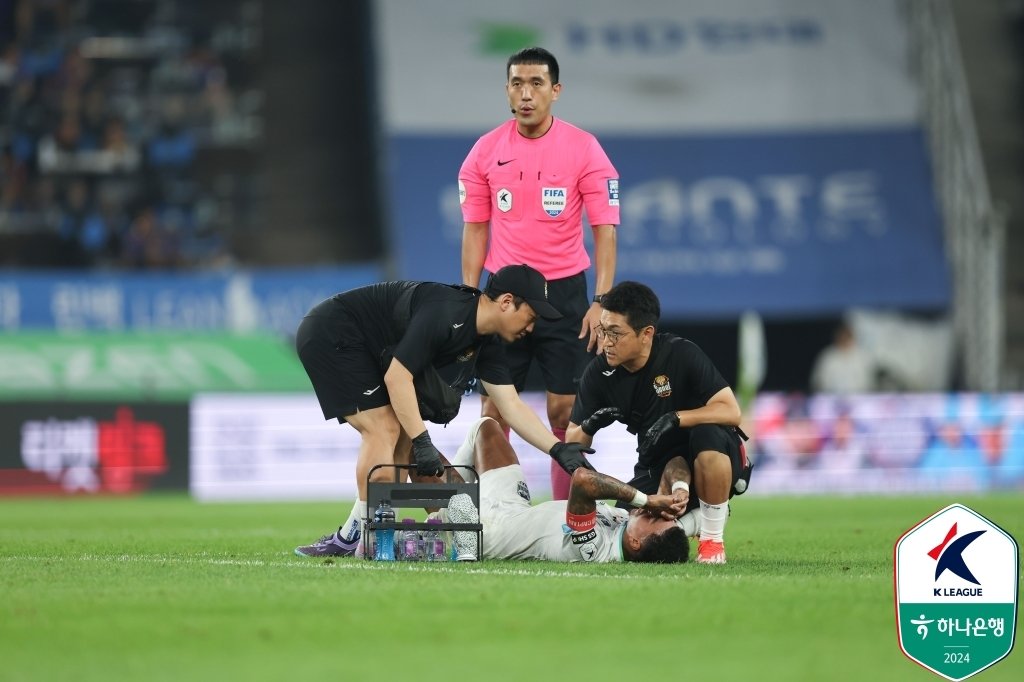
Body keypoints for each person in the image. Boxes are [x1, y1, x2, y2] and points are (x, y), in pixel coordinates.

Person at [293, 264, 595, 557]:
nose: (532, 327)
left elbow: (511, 405)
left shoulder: (486, 342)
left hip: (369, 347)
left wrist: (557, 450)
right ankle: (365, 537)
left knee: (399, 441)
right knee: (384, 428)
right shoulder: (446, 311)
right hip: (333, 331)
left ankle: (356, 536)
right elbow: (397, 377)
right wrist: (422, 441)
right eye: (531, 315)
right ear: (506, 303)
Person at [459, 46, 619, 500]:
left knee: (564, 409)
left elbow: (604, 230)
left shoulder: (584, 148)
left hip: (565, 292)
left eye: (536, 84)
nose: (526, 94)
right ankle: (497, 510)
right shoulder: (485, 151)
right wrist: (469, 298)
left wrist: (601, 301)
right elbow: (475, 229)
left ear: (556, 90)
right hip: (503, 294)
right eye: (517, 83)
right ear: (507, 90)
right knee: (494, 408)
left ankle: (568, 519)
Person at [564, 281, 750, 564]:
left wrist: (676, 418)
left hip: (708, 451)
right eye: (603, 330)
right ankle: (700, 518)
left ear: (646, 334)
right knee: (630, 529)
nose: (606, 342)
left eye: (616, 333)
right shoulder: (598, 374)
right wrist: (589, 426)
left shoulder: (681, 354)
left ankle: (712, 542)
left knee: (706, 435)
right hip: (657, 463)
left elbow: (731, 411)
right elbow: (571, 445)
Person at [443, 416, 691, 563]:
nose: (655, 513)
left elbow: (582, 479)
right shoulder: (630, 526)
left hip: (490, 533)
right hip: (515, 510)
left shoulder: (591, 549)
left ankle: (452, 518)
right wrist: (680, 490)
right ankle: (450, 507)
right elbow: (675, 462)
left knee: (421, 454)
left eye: (654, 519)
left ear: (635, 543)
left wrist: (646, 500)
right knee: (485, 427)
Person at [809, 321, 876, 394]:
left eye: (846, 336)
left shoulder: (863, 356)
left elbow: (872, 382)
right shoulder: (827, 356)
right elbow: (818, 382)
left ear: (851, 336)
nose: (843, 338)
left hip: (860, 398)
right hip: (832, 399)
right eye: (841, 336)